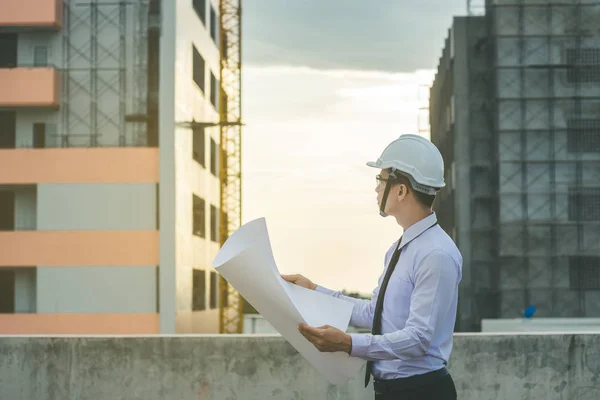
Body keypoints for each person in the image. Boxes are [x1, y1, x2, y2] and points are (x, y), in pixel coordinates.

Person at [282, 134, 462, 400]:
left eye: (381, 180)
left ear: (401, 190)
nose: (376, 189)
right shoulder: (401, 248)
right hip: (392, 391)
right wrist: (313, 290)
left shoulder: (436, 254)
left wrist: (348, 343)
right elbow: (374, 313)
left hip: (421, 392)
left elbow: (418, 339)